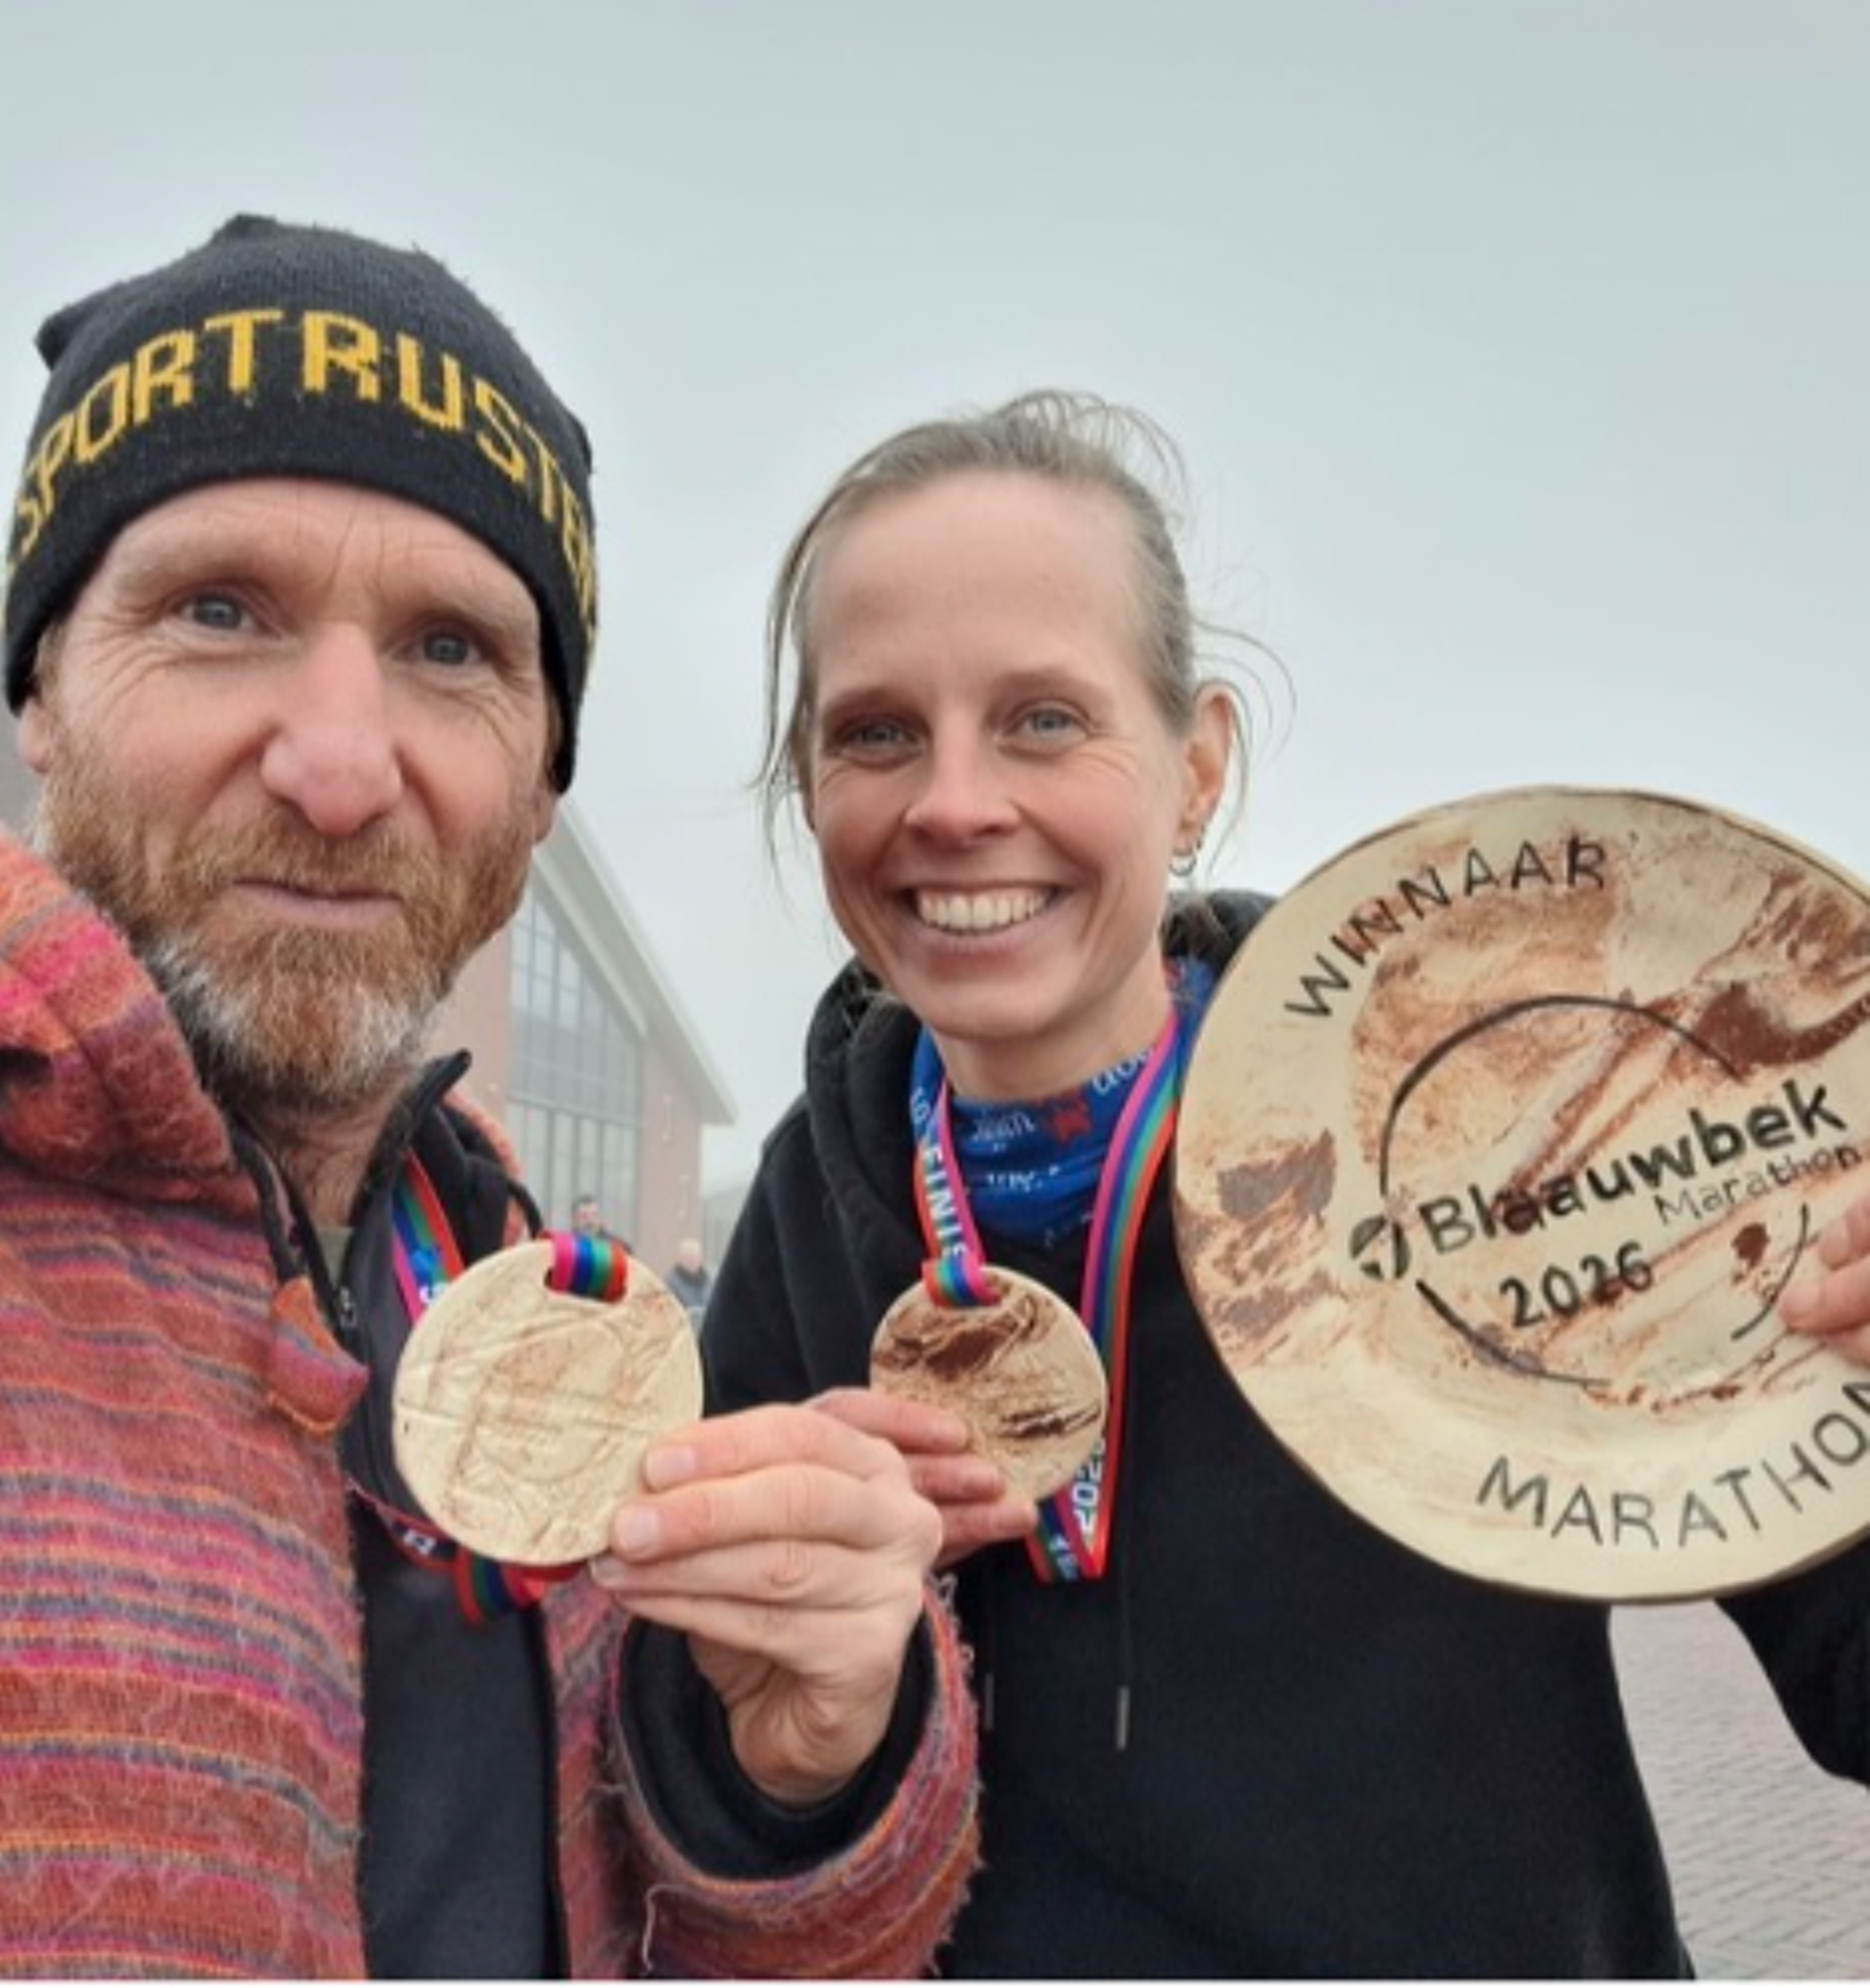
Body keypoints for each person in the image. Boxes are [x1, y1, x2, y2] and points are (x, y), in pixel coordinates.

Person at [0, 215, 980, 1979]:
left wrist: (799, 1780)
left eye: (454, 650)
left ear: (540, 778)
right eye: (217, 613)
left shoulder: (521, 1279)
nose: (335, 766)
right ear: (39, 689)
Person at [701, 388, 1870, 1976]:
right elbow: (727, 1843)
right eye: (876, 730)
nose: (953, 800)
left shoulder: (1485, 1131)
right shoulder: (802, 1213)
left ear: (1193, 769)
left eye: (1043, 717)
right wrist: (789, 1742)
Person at [669, 1235, 716, 1325]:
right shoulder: (671, 1284)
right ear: (681, 1259)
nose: (692, 1260)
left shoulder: (709, 1281)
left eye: (695, 1256)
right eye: (688, 1257)